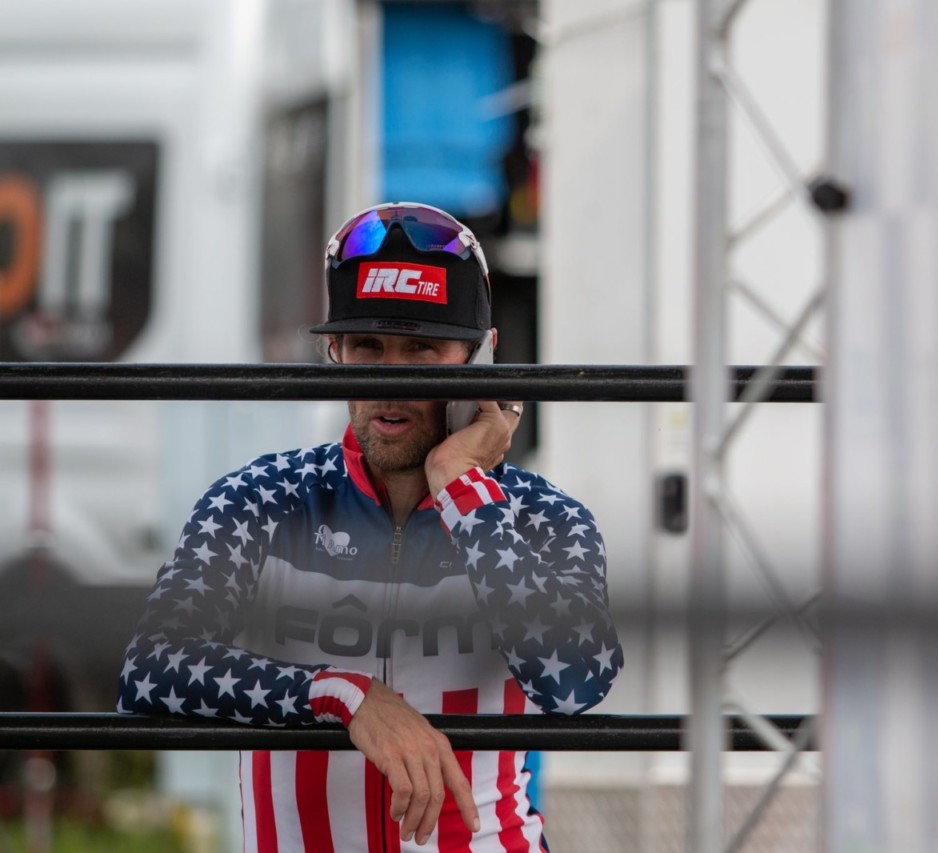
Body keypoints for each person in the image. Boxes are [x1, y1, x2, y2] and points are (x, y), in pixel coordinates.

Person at [118, 202, 622, 852]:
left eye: (421, 349)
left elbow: (577, 679)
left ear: (481, 359)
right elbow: (150, 670)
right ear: (335, 351)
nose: (390, 377)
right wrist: (342, 693)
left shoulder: (543, 515)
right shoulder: (262, 497)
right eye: (368, 347)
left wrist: (460, 485)